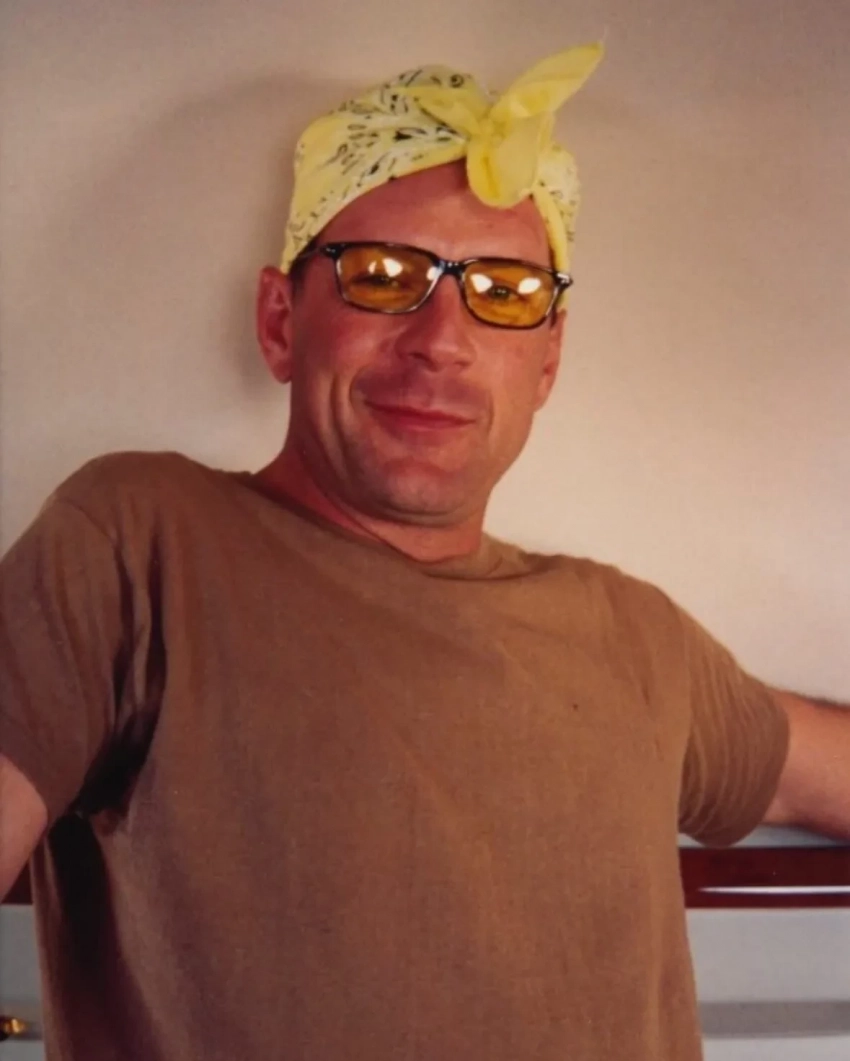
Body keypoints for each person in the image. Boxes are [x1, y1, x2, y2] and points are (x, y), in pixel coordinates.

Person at [0, 44, 847, 1061]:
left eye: (504, 289)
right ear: (280, 321)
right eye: (383, 276)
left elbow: (816, 772)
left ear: (547, 362)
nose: (441, 337)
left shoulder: (633, 632)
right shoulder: (140, 544)